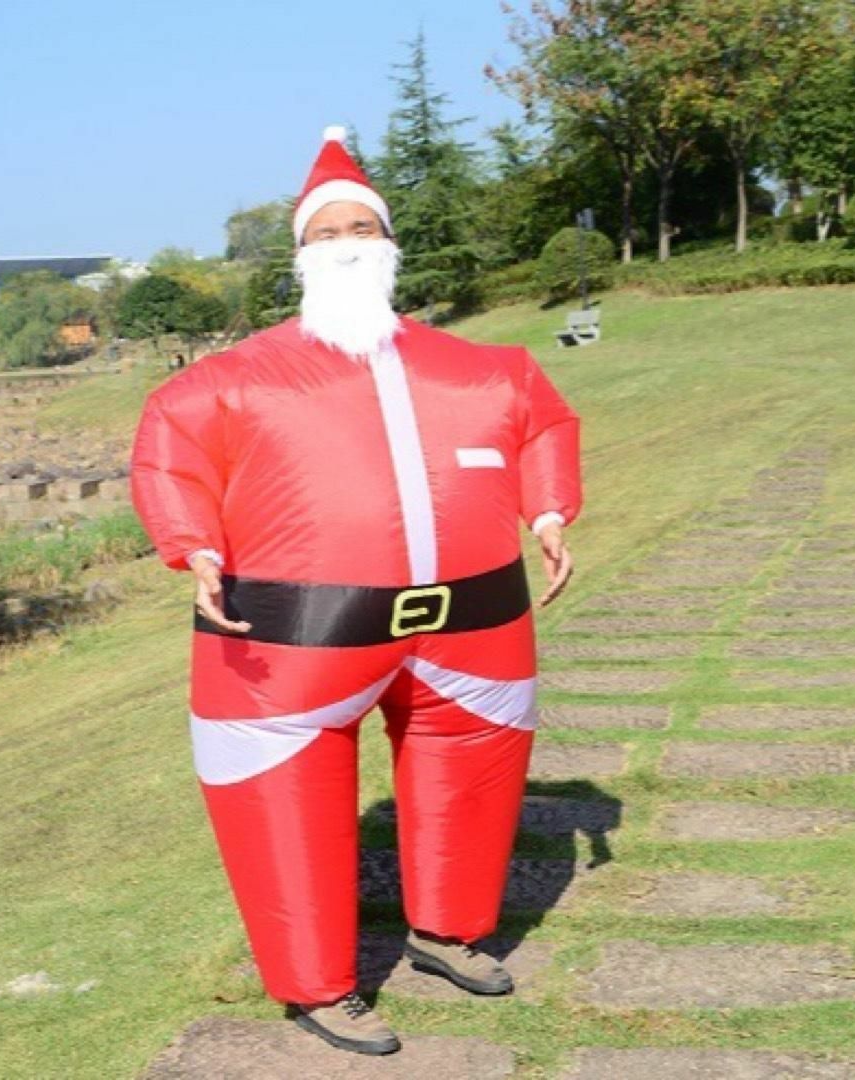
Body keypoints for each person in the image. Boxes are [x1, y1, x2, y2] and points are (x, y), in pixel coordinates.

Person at [129, 125, 582, 1057]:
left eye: (361, 229)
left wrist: (547, 514)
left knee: (474, 775)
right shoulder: (231, 379)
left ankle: (447, 932)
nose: (345, 242)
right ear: (302, 255)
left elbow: (542, 423)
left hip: (477, 622)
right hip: (293, 637)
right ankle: (319, 986)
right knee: (284, 798)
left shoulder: (483, 367)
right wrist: (191, 547)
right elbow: (170, 449)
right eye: (326, 231)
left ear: (388, 247)